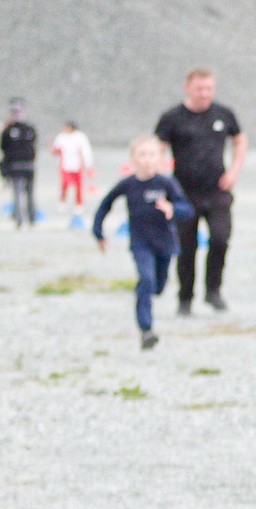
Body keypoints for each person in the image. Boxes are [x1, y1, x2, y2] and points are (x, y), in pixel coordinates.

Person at [154, 66, 246, 315]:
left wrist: (234, 171)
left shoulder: (224, 114)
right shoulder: (172, 117)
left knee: (219, 239)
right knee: (186, 247)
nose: (204, 94)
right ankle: (185, 298)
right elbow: (157, 149)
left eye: (209, 89)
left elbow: (240, 140)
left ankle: (213, 290)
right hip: (184, 194)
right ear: (187, 88)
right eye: (199, 89)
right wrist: (160, 179)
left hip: (217, 191)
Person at [92, 137, 193, 352]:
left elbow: (187, 209)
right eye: (142, 155)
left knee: (157, 286)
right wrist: (98, 232)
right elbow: (104, 205)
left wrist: (172, 209)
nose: (147, 160)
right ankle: (146, 330)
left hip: (165, 244)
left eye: (152, 155)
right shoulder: (127, 184)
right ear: (133, 159)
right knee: (146, 281)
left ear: (161, 159)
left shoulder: (166, 183)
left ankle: (146, 292)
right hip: (141, 244)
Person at [0, 100, 37, 227]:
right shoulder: (28, 128)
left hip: (19, 165)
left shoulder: (9, 130)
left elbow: (3, 147)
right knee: (26, 193)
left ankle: (21, 218)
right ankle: (29, 217)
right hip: (26, 165)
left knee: (20, 193)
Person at [52, 119, 93, 221]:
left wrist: (88, 164)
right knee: (64, 184)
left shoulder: (80, 137)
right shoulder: (61, 137)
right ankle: (62, 202)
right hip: (65, 165)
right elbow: (55, 149)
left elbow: (86, 151)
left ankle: (78, 205)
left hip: (77, 165)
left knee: (78, 186)